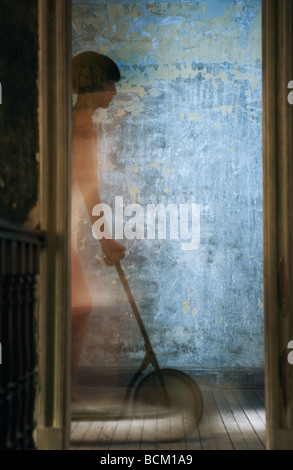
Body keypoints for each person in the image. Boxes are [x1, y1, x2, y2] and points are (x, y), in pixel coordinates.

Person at [71, 51, 126, 399]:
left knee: (77, 307)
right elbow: (88, 186)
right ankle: (60, 388)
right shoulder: (79, 126)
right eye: (109, 84)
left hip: (60, 228)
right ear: (92, 83)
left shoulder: (81, 122)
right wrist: (106, 239)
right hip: (54, 229)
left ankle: (61, 385)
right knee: (79, 306)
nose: (114, 93)